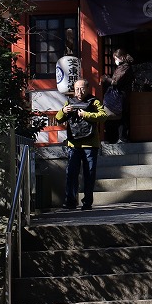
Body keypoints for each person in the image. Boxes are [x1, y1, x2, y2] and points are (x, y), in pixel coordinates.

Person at [54, 79, 109, 210]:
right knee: (71, 173)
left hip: (90, 144)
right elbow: (58, 118)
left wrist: (86, 114)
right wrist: (63, 110)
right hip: (74, 144)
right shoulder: (70, 102)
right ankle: (70, 201)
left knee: (89, 173)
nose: (79, 92)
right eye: (77, 89)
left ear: (87, 88)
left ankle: (87, 202)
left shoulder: (94, 101)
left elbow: (103, 116)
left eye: (82, 88)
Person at [103, 48, 133, 143]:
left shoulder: (124, 67)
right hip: (122, 94)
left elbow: (116, 82)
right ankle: (121, 137)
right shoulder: (124, 67)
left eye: (116, 58)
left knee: (120, 115)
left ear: (122, 57)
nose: (115, 60)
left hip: (121, 94)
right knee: (120, 115)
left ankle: (121, 137)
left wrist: (106, 79)